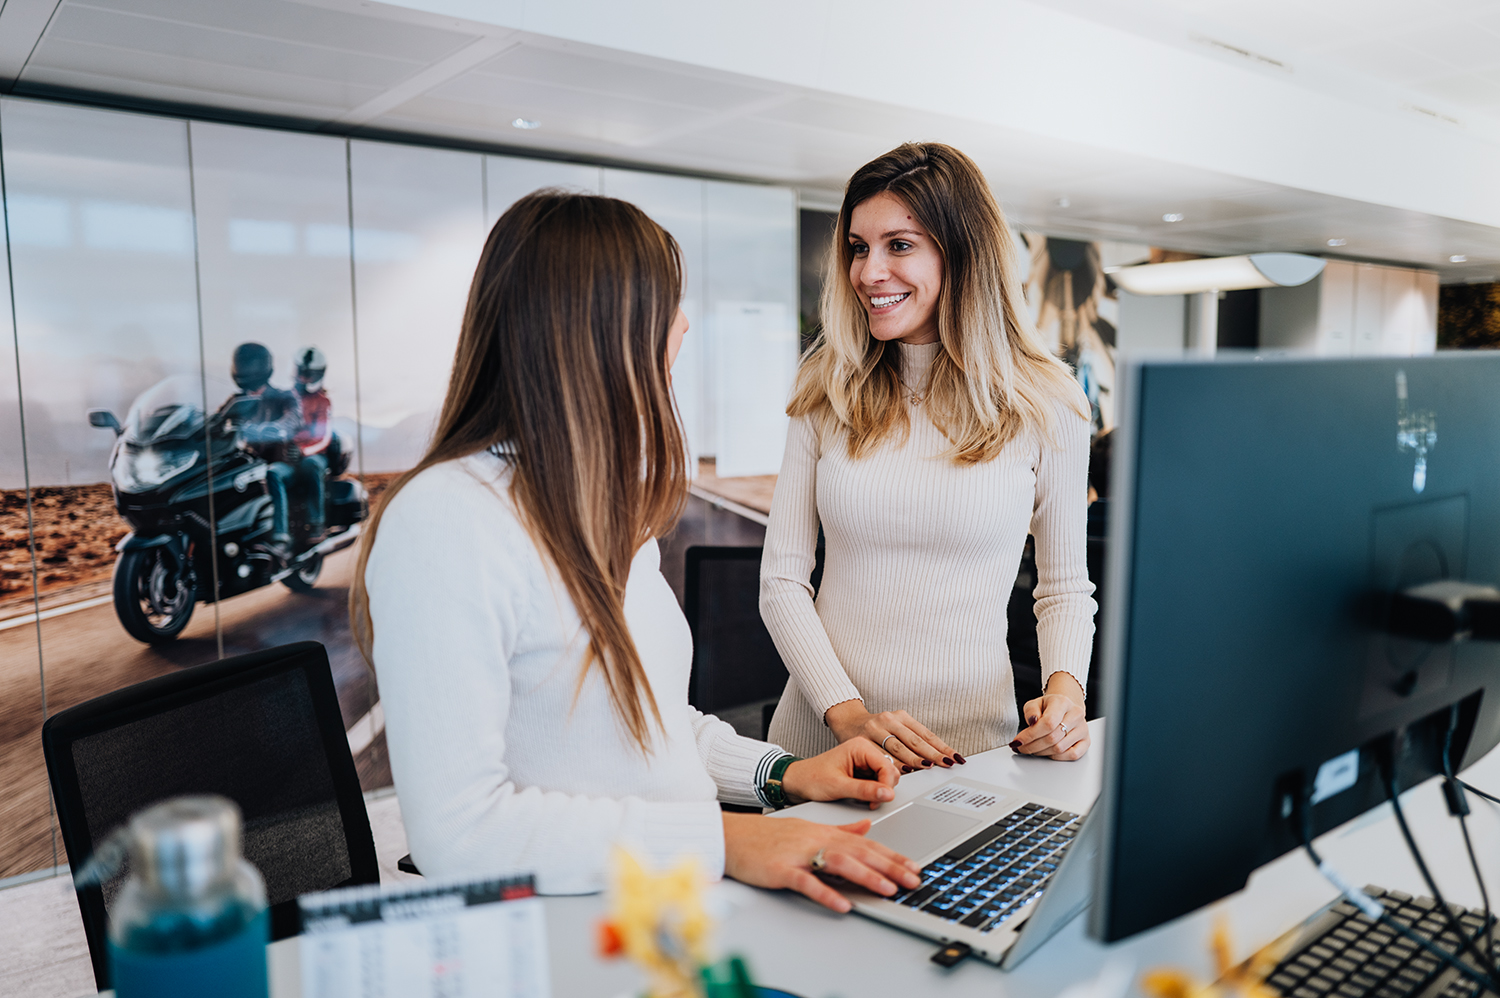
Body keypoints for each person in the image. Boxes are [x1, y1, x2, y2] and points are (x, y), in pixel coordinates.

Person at [351, 192, 922, 909]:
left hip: (666, 899)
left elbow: (649, 726)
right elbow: (458, 832)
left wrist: (784, 775)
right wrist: (725, 842)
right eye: (667, 303)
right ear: (598, 329)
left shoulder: (601, 507)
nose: (683, 325)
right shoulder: (447, 520)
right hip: (578, 923)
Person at [760, 142, 1097, 769]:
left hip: (969, 752)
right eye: (859, 247)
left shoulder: (1047, 405)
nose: (867, 272)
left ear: (963, 252)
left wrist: (1065, 692)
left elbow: (1063, 589)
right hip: (821, 746)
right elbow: (781, 583)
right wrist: (851, 717)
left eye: (900, 244)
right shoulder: (825, 391)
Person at [219, 342, 302, 559]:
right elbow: (216, 422)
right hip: (248, 463)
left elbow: (292, 419)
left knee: (272, 474)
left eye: (249, 364)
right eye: (242, 364)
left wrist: (276, 428)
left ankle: (281, 539)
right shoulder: (236, 401)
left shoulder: (284, 397)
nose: (246, 369)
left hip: (282, 463)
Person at [291, 346, 332, 544]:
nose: (303, 378)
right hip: (289, 453)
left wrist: (304, 451)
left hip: (314, 454)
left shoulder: (322, 402)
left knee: (311, 466)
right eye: (301, 372)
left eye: (308, 374)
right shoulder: (288, 398)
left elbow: (323, 437)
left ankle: (317, 523)